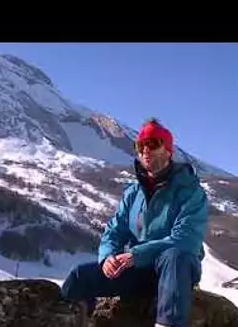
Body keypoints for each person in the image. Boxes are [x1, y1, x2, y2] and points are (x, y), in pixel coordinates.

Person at [60, 118, 209, 327]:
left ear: (168, 151)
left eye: (153, 144)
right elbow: (115, 230)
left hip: (175, 271)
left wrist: (137, 255)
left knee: (175, 256)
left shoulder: (190, 191)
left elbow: (186, 240)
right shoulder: (133, 193)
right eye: (141, 145)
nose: (146, 150)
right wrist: (108, 257)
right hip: (139, 269)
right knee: (79, 276)